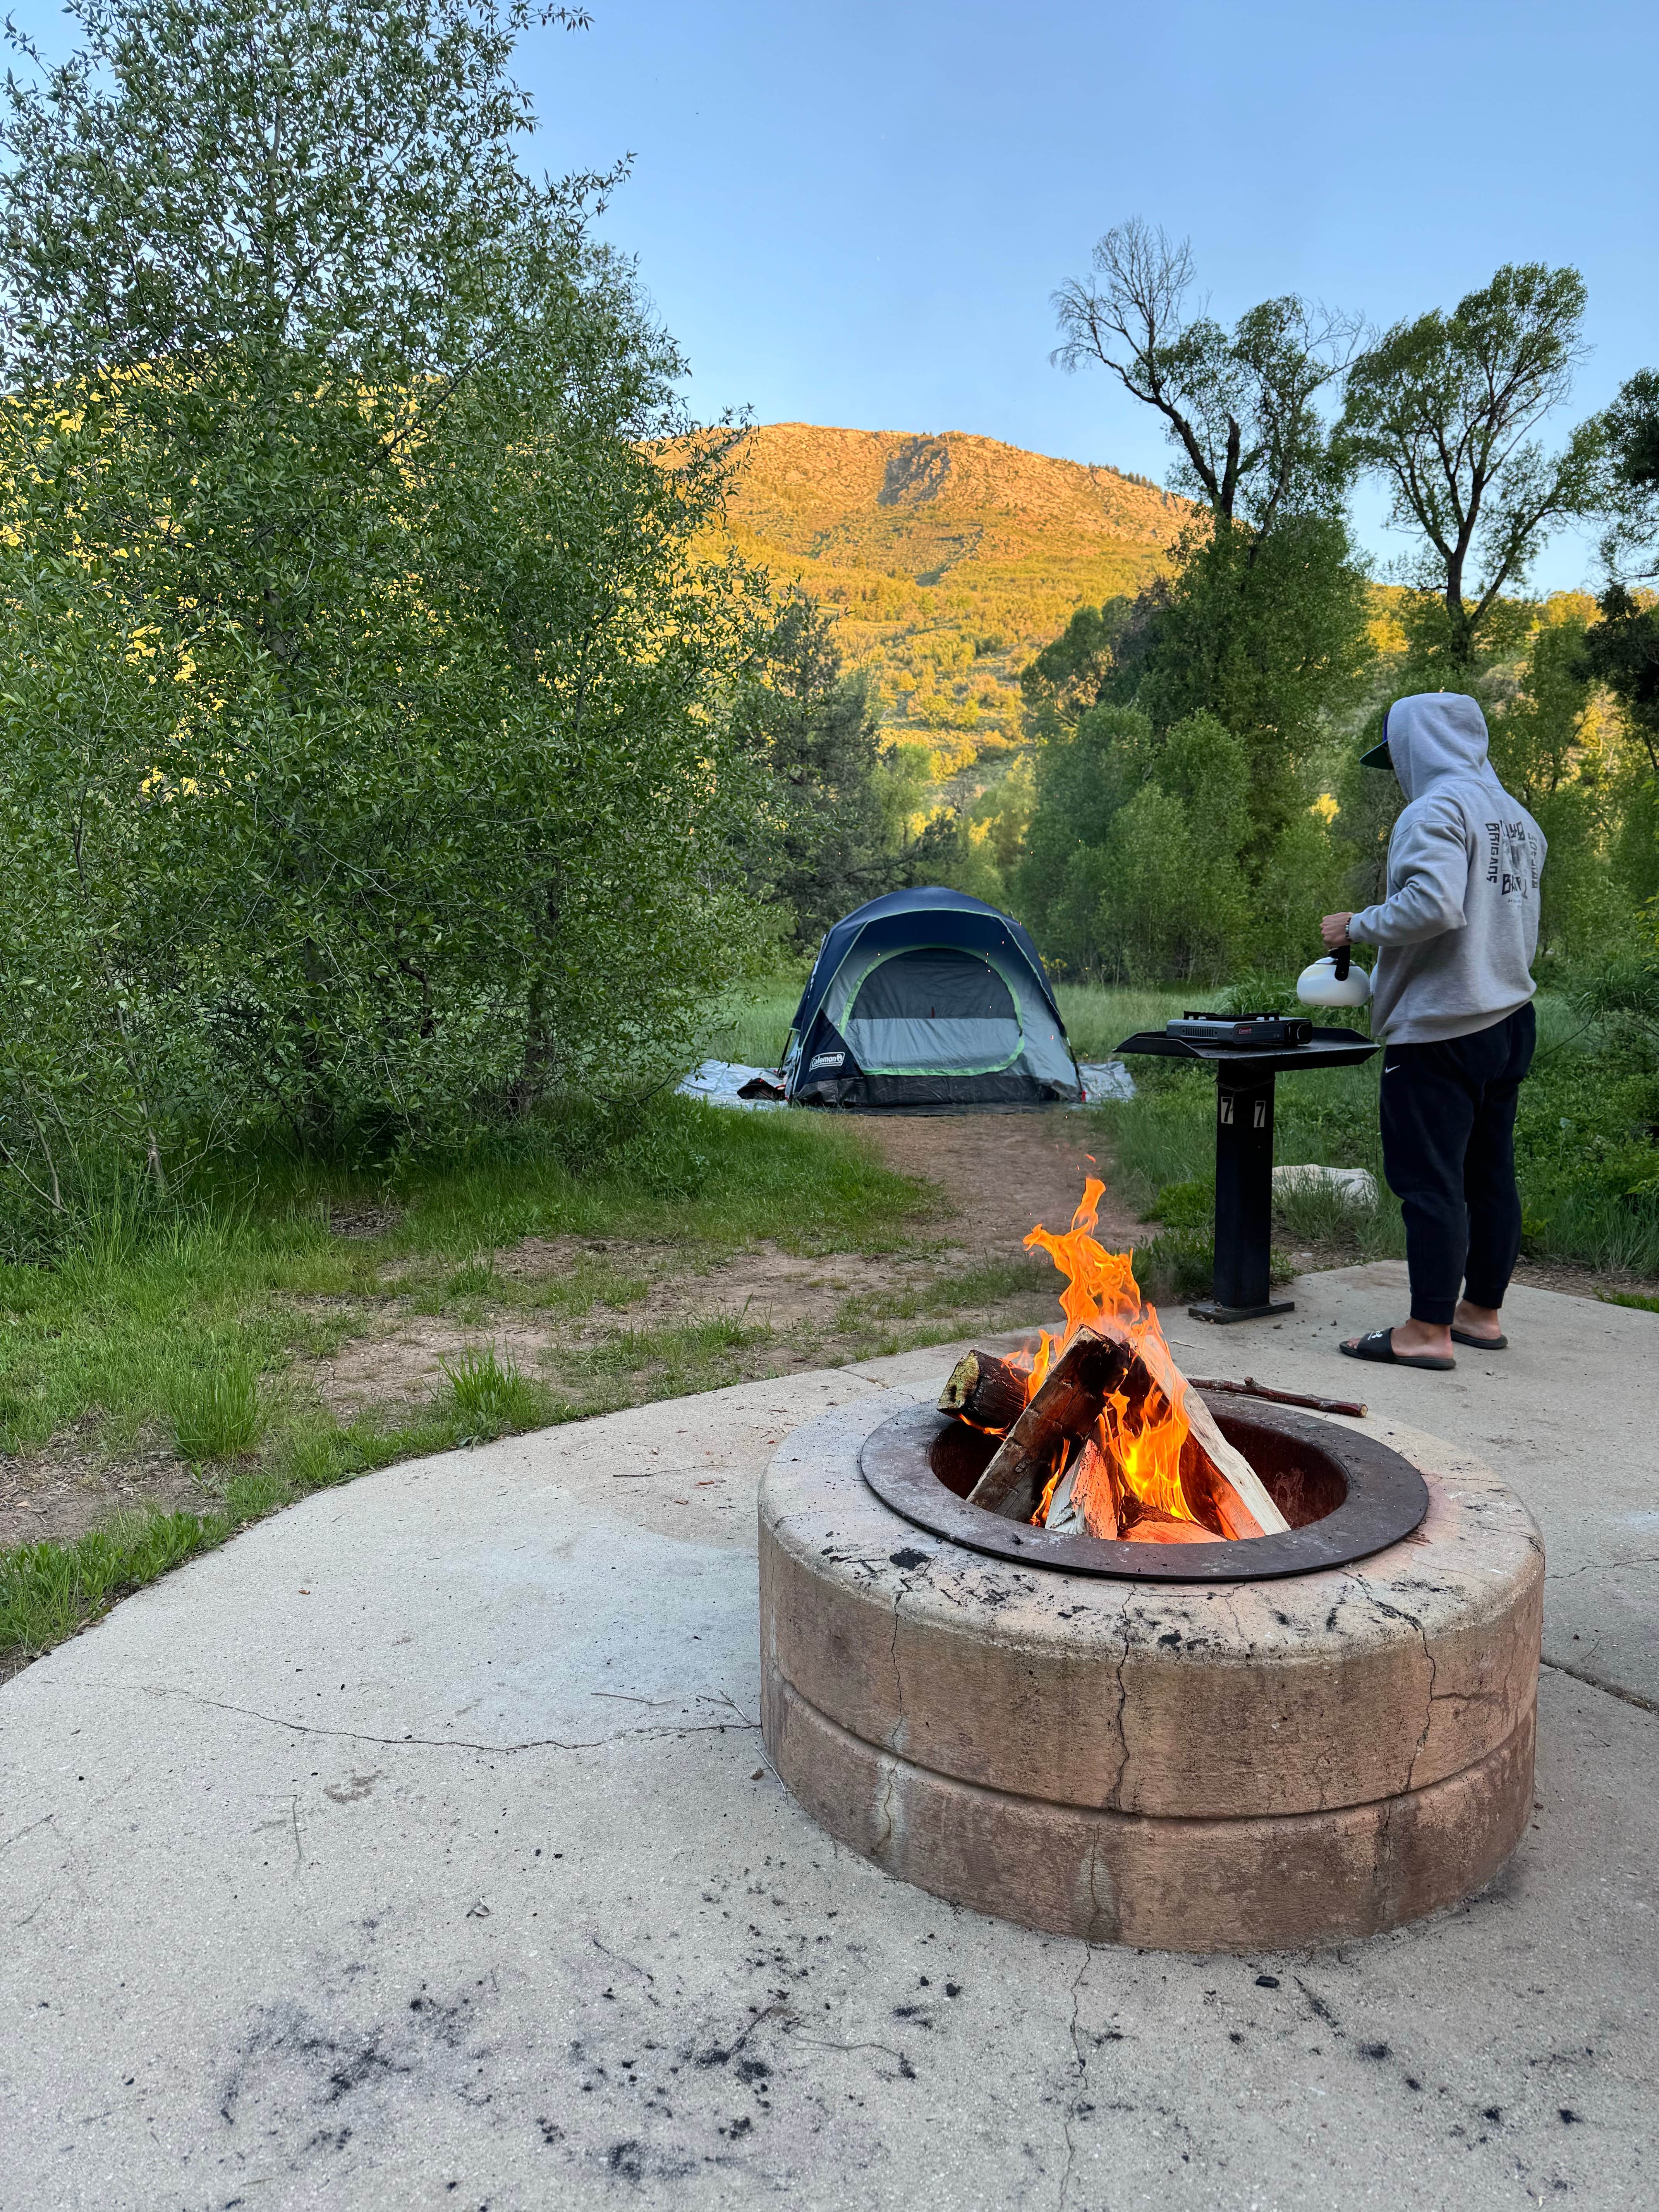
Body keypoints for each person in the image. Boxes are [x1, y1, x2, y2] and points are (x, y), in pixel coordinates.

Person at [1321, 692, 1546, 1371]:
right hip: (1509, 1018)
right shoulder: (1517, 818)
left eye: (1397, 757)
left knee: (1430, 1182)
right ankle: (1480, 1314)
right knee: (1490, 1174)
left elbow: (1435, 904)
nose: (1398, 772)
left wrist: (1355, 925)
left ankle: (1425, 1330)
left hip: (1442, 1024)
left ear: (1418, 744)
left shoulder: (1434, 809)